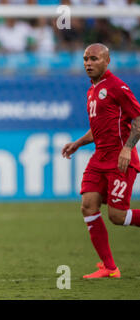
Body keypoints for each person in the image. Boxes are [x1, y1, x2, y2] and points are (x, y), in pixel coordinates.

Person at [62, 43, 140, 279]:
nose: (88, 63)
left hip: (120, 159)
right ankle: (109, 267)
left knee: (117, 216)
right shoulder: (92, 90)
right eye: (85, 58)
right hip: (99, 158)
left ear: (107, 61)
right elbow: (99, 128)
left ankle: (109, 267)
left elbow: (138, 120)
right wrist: (77, 143)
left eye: (94, 59)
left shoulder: (117, 87)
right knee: (88, 205)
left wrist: (128, 148)